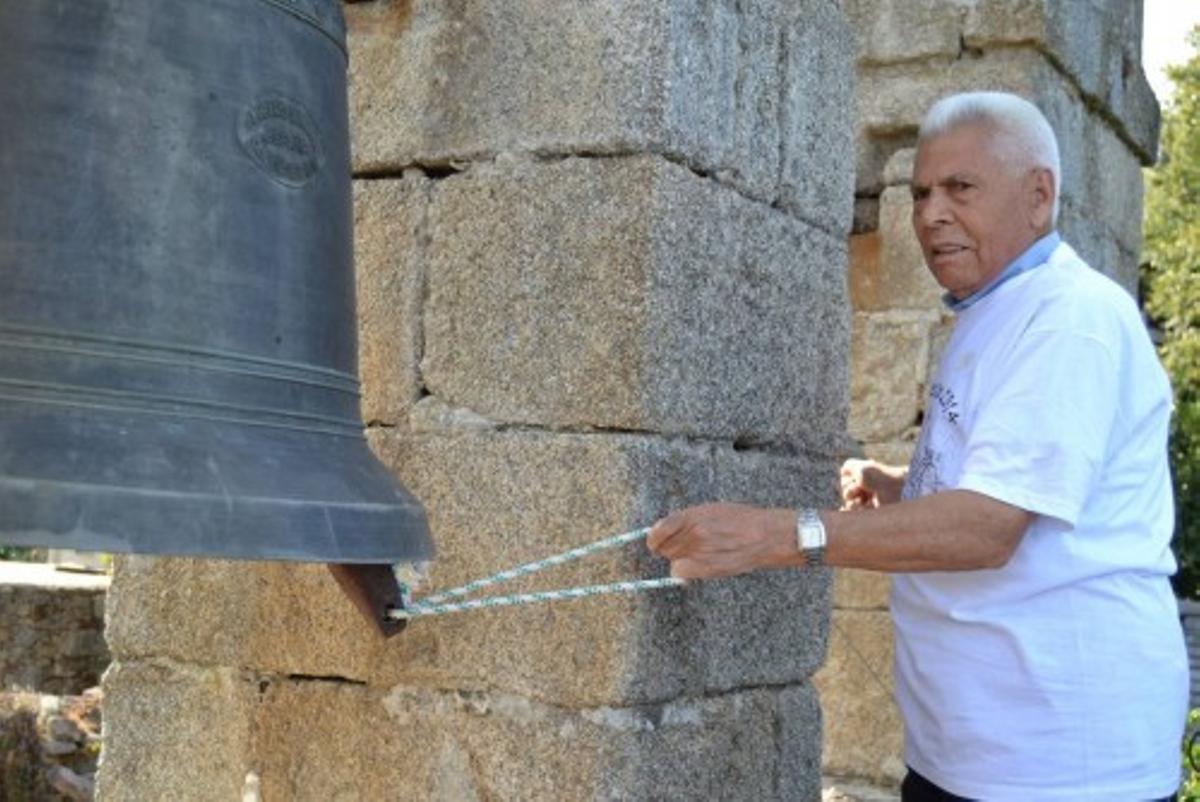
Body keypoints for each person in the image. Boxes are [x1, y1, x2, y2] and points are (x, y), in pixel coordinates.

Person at [646, 91, 1188, 802]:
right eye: (921, 192)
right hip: (977, 754)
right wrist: (904, 485)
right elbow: (1020, 484)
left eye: (960, 188)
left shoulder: (1068, 320)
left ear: (1038, 196)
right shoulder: (997, 308)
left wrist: (775, 537)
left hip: (1058, 769)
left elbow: (989, 527)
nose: (931, 214)